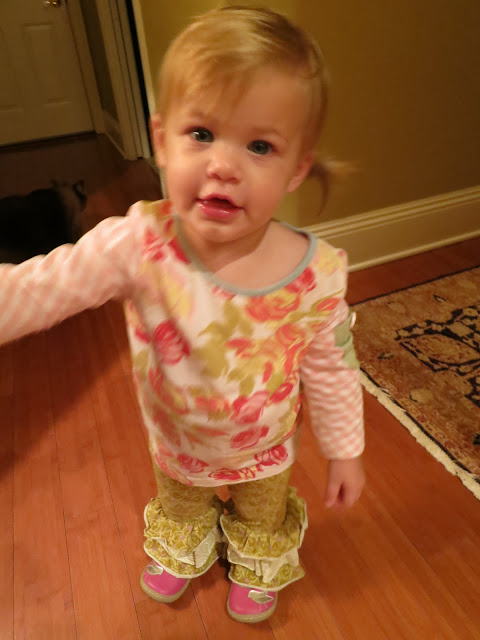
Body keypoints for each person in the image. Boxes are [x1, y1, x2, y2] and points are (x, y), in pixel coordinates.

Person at [0, 6, 365, 624]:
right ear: (162, 139)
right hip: (177, 440)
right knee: (183, 504)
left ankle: (255, 560)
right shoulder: (139, 243)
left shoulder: (317, 274)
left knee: (262, 513)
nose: (223, 164)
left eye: (259, 146)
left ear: (297, 167)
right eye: (201, 133)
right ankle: (185, 542)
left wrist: (345, 449)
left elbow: (333, 367)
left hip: (267, 447)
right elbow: (42, 288)